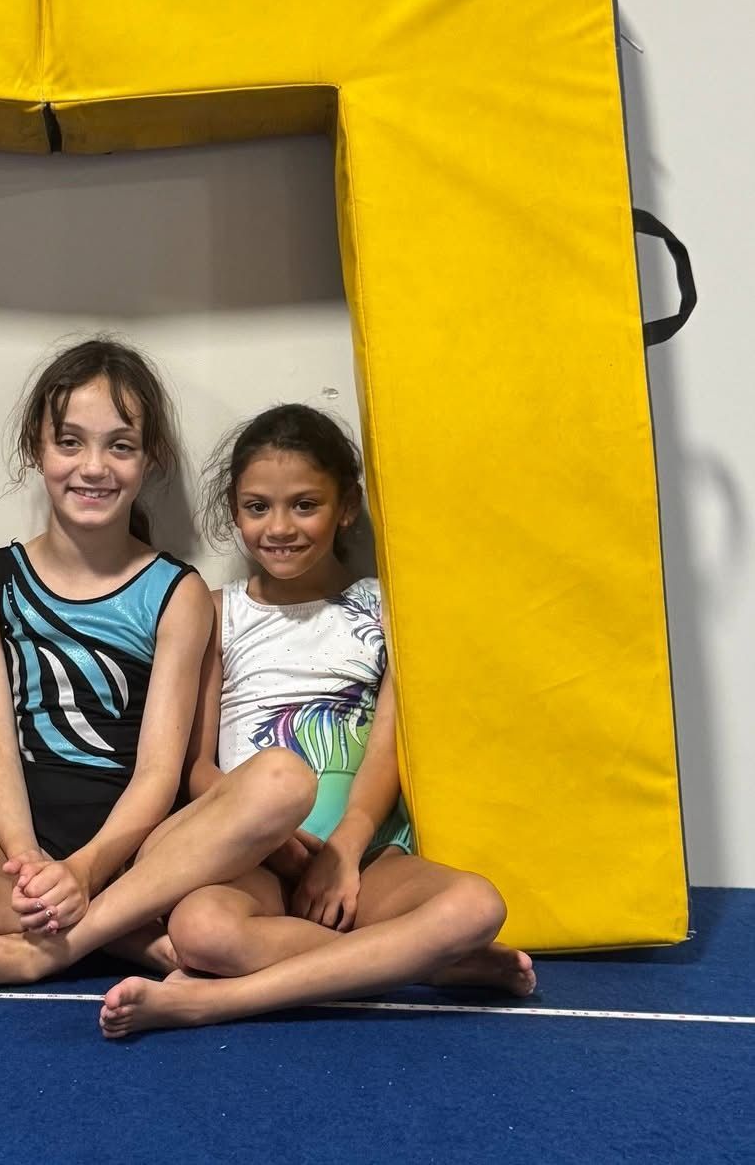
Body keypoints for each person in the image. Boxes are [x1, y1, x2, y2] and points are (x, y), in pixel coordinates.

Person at [0, 340, 317, 995]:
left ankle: (53, 945)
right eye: (70, 442)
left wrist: (87, 866)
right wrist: (27, 861)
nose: (93, 466)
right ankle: (122, 936)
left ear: (148, 459)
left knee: (281, 778)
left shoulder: (174, 591)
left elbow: (160, 774)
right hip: (18, 859)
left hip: (141, 854)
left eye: (120, 446)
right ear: (36, 449)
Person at [99, 403, 535, 1037]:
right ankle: (427, 965)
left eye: (305, 505)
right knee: (202, 928)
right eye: (257, 507)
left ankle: (220, 1001)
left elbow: (387, 748)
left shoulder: (384, 606)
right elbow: (196, 765)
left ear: (347, 507)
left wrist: (345, 853)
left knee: (476, 906)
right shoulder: (219, 612)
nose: (279, 527)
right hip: (258, 855)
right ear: (233, 510)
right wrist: (272, 839)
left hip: (365, 853)